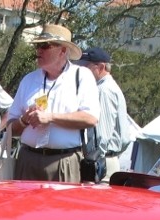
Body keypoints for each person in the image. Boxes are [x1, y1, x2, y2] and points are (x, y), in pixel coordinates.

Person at [6, 24, 99, 183]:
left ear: (63, 50)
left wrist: (50, 118)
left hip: (63, 161)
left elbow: (90, 118)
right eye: (38, 46)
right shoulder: (29, 80)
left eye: (45, 46)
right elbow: (10, 128)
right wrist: (24, 120)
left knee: (61, 208)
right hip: (27, 160)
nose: (39, 51)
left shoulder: (81, 76)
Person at [75, 46, 131, 182]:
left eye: (86, 67)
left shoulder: (103, 90)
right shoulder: (107, 88)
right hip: (105, 159)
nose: (81, 71)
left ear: (100, 67)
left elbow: (100, 134)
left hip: (101, 162)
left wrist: (92, 160)